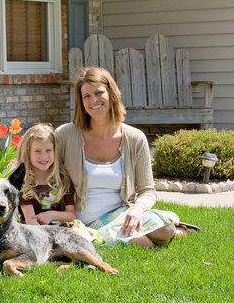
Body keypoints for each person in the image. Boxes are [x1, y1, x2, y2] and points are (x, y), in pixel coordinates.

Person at [56, 67, 181, 247]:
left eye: (99, 93)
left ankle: (169, 228)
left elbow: (147, 190)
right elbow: (40, 167)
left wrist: (137, 209)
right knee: (144, 244)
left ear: (111, 94)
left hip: (121, 213)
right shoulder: (66, 135)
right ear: (81, 101)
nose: (93, 101)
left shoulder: (134, 138)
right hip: (83, 222)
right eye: (87, 96)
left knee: (166, 230)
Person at [17, 123, 100, 242]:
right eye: (37, 151)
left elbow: (71, 215)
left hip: (61, 228)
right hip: (35, 232)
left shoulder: (62, 180)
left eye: (48, 150)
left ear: (55, 151)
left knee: (80, 235)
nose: (44, 156)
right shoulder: (25, 185)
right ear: (27, 152)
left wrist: (50, 215)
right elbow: (31, 221)